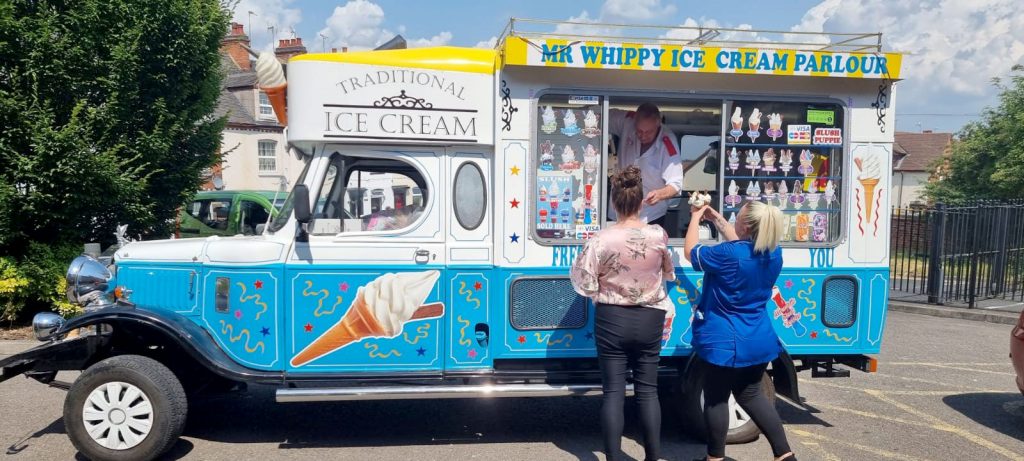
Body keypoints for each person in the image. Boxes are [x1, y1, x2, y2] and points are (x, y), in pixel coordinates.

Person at [570, 165, 675, 461]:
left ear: (614, 202)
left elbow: (584, 282)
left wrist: (603, 289)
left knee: (614, 393)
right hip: (650, 317)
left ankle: (614, 457)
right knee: (648, 391)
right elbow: (668, 272)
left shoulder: (601, 239)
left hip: (612, 318)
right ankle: (653, 457)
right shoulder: (658, 235)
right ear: (641, 202)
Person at [684, 201, 796, 461]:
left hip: (725, 340)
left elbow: (691, 252)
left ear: (745, 226)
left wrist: (695, 218)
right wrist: (716, 219)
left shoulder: (728, 254)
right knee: (752, 395)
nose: (733, 220)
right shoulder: (774, 253)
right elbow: (741, 244)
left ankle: (715, 458)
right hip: (758, 337)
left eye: (737, 217)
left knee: (716, 398)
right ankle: (785, 456)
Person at [608, 103, 684, 227]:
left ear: (658, 123)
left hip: (649, 215)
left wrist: (659, 195)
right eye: (639, 131)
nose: (643, 136)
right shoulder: (627, 121)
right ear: (635, 121)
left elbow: (676, 185)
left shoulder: (668, 144)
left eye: (648, 132)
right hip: (617, 211)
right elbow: (599, 115)